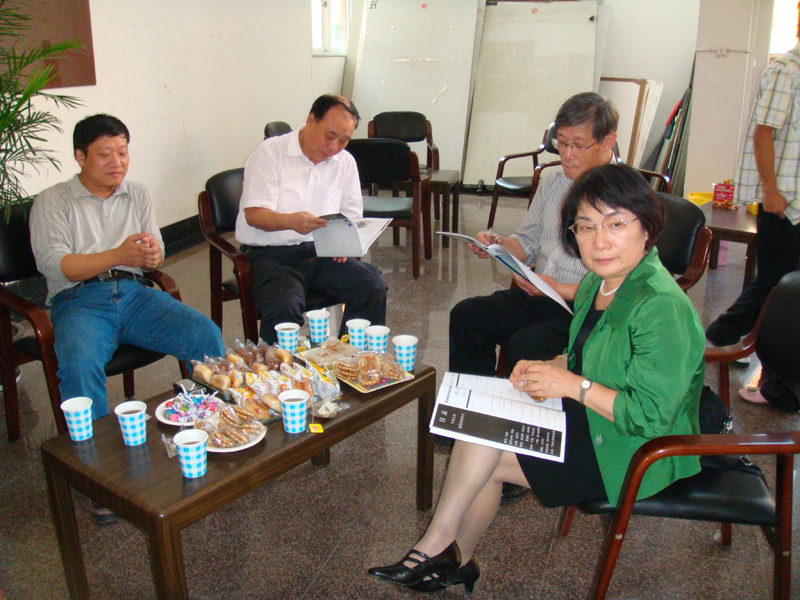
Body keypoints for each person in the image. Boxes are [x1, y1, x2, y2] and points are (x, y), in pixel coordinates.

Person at [368, 164, 705, 594]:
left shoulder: (660, 306)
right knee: (481, 429)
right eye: (586, 226)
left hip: (637, 451)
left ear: (647, 227)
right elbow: (585, 353)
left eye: (616, 224)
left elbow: (650, 417)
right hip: (596, 420)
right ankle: (448, 555)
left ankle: (443, 552)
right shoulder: (601, 283)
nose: (599, 241)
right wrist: (554, 366)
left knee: (484, 452)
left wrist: (573, 385)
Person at [449, 91, 618, 501]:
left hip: (583, 311)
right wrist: (499, 245)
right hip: (538, 291)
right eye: (562, 143)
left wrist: (555, 287)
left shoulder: (622, 195)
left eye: (578, 145)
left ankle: (522, 454)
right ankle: (471, 423)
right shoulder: (554, 181)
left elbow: (618, 286)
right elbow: (526, 241)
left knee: (528, 344)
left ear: (608, 142)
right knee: (466, 316)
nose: (567, 155)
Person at [705, 6, 800, 412]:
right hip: (786, 202)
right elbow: (764, 134)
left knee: (783, 286)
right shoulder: (787, 71)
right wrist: (770, 190)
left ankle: (727, 337)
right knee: (778, 286)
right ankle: (730, 342)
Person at [235, 94, 387, 344]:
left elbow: (351, 213)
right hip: (272, 255)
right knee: (285, 308)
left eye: (344, 140)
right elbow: (254, 215)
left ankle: (350, 355)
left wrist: (343, 242)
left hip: (322, 252)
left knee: (372, 285)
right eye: (330, 135)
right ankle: (277, 366)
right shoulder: (270, 153)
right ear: (311, 121)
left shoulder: (345, 162)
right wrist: (291, 221)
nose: (334, 146)